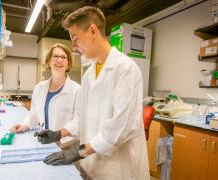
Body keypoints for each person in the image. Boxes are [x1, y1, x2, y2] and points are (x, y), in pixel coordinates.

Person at [35, 6, 150, 180]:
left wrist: (79, 152)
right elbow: (82, 118)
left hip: (117, 169)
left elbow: (121, 128)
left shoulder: (125, 69)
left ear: (92, 30)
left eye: (75, 38)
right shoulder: (89, 75)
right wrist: (59, 133)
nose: (73, 46)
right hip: (91, 164)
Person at [10, 43, 80, 137]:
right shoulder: (39, 87)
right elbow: (34, 113)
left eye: (63, 57)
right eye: (55, 56)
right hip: (44, 141)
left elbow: (78, 121)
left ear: (68, 63)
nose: (59, 60)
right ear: (49, 61)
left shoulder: (77, 90)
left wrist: (58, 134)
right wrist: (25, 125)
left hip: (65, 145)